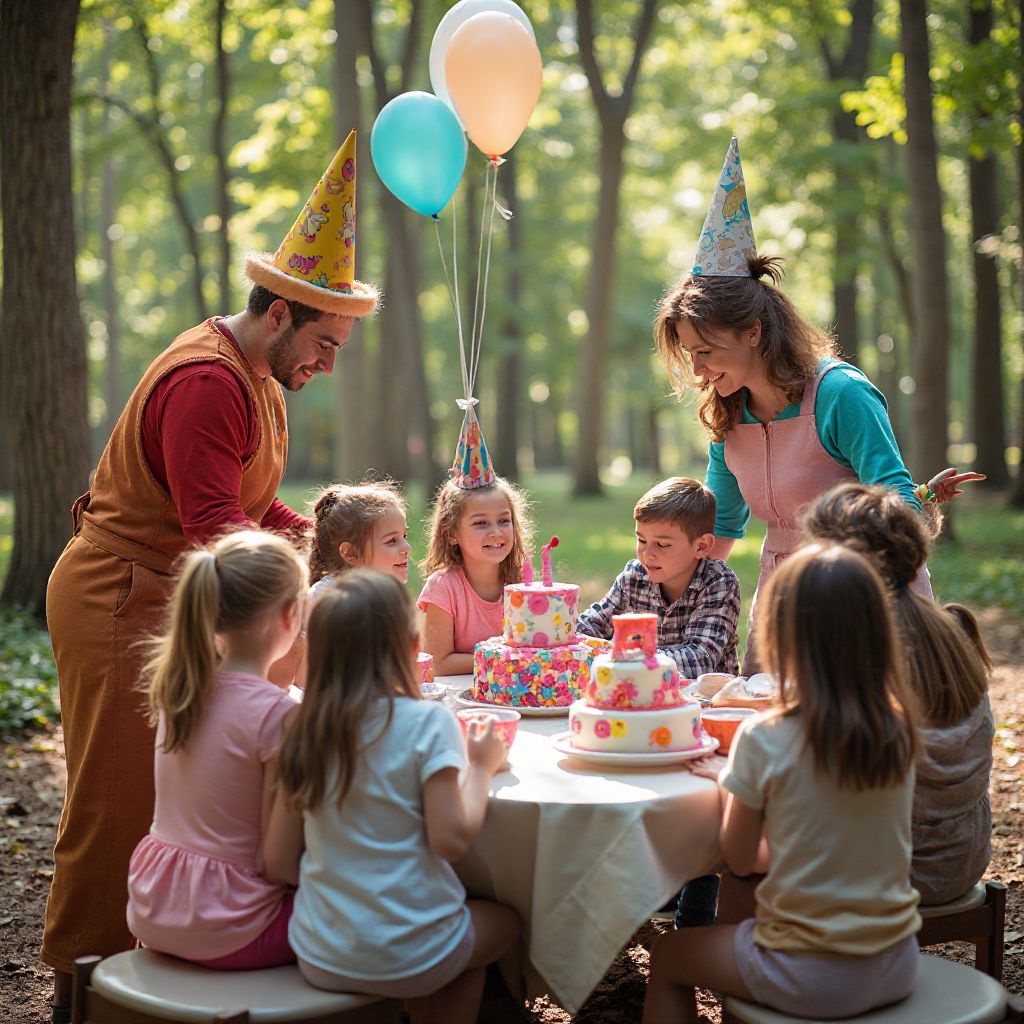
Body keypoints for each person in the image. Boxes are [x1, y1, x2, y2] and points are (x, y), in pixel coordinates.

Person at [42, 132, 380, 1019]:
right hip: (121, 597)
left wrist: (335, 544)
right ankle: (78, 992)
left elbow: (250, 506)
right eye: (325, 342)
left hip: (182, 592)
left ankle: (154, 977)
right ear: (279, 313)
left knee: (169, 805)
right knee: (115, 805)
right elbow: (215, 532)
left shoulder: (261, 373)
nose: (327, 363)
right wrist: (316, 591)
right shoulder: (208, 382)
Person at [653, 137, 982, 669]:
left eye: (706, 351)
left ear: (754, 331)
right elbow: (720, 528)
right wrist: (668, 593)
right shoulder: (727, 413)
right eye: (690, 354)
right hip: (781, 597)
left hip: (864, 592)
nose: (697, 370)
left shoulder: (840, 394)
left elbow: (896, 502)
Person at [643, 544, 921, 1024]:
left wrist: (730, 785)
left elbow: (741, 860)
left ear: (779, 636)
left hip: (807, 974)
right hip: (896, 961)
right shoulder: (896, 729)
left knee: (668, 955)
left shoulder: (764, 737)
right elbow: (833, 835)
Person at [263, 570, 519, 1024]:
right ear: (413, 647)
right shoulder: (429, 723)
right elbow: (452, 841)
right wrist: (481, 766)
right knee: (505, 924)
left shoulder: (301, 729)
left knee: (451, 957)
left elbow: (280, 863)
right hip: (412, 952)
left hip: (320, 953)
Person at [801, 482, 993, 905]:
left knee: (749, 854)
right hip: (963, 860)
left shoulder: (863, 653)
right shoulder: (949, 629)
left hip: (892, 875)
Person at [126, 531, 306, 967]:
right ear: (290, 616)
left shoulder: (181, 690)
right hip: (230, 924)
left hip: (154, 907)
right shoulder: (278, 715)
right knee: (373, 913)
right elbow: (280, 865)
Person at [576, 476, 740, 677]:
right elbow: (589, 627)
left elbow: (700, 660)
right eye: (642, 540)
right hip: (643, 690)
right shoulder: (634, 577)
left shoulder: (719, 583)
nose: (647, 554)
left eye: (662, 544)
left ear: (701, 546)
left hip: (706, 695)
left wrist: (629, 654)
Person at [271, 481, 411, 690]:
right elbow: (305, 679)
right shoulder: (326, 598)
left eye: (404, 537)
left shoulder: (386, 595)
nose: (407, 547)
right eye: (392, 541)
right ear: (350, 553)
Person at [418, 477, 533, 676]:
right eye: (481, 523)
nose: (496, 532)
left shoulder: (522, 582)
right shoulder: (443, 587)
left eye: (504, 521)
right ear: (452, 534)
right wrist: (502, 659)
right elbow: (437, 663)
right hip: (462, 692)